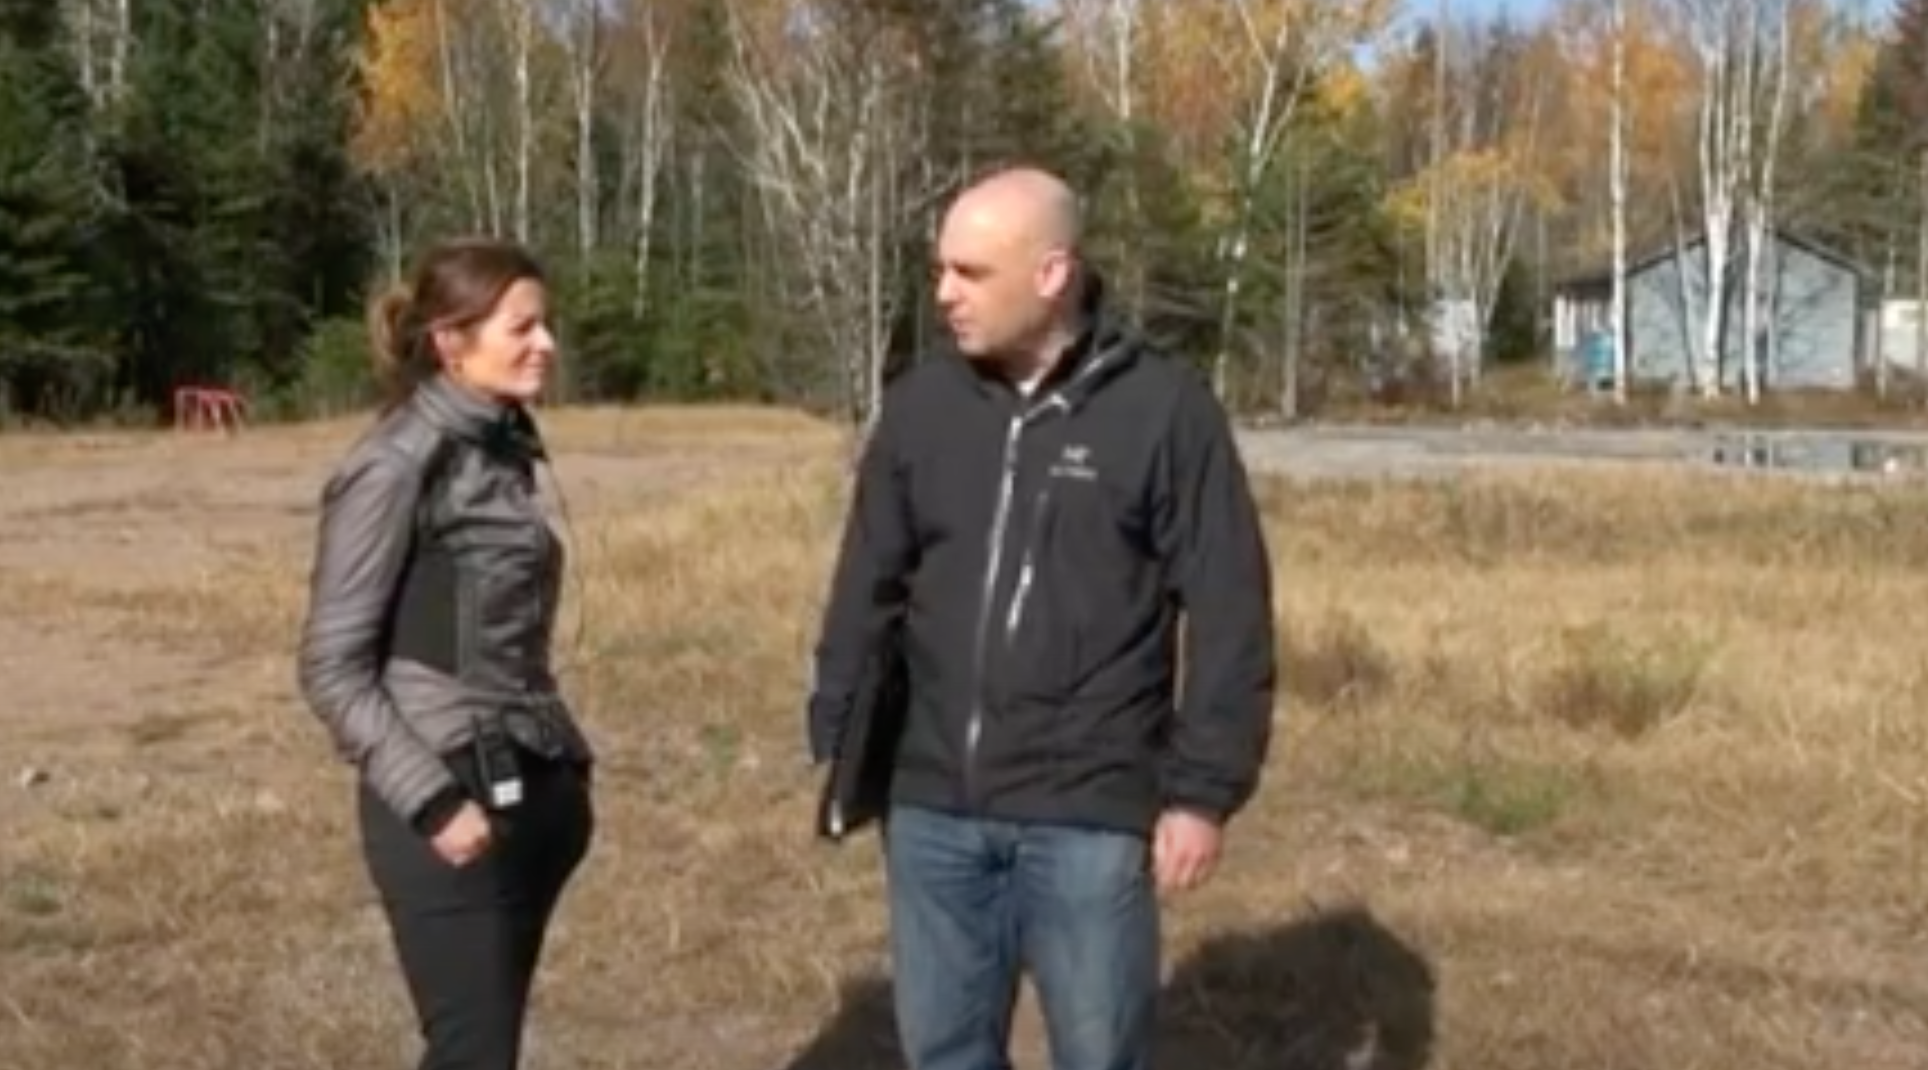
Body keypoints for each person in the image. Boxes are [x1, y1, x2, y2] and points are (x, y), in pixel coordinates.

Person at [805, 166, 1279, 1070]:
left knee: (1100, 1054)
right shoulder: (922, 407)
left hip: (1089, 810)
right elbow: (867, 574)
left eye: (971, 272)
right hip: (933, 802)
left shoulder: (1163, 411)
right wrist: (838, 718)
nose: (943, 294)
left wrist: (1202, 791)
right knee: (944, 1050)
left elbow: (1230, 608)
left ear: (1053, 274)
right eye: (940, 269)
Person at [296, 237, 596, 1070]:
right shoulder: (395, 466)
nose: (548, 345)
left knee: (479, 1050)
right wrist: (435, 805)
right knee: (473, 1053)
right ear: (450, 340)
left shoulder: (497, 449)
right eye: (523, 327)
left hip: (524, 784)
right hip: (441, 804)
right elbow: (331, 666)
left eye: (548, 324)